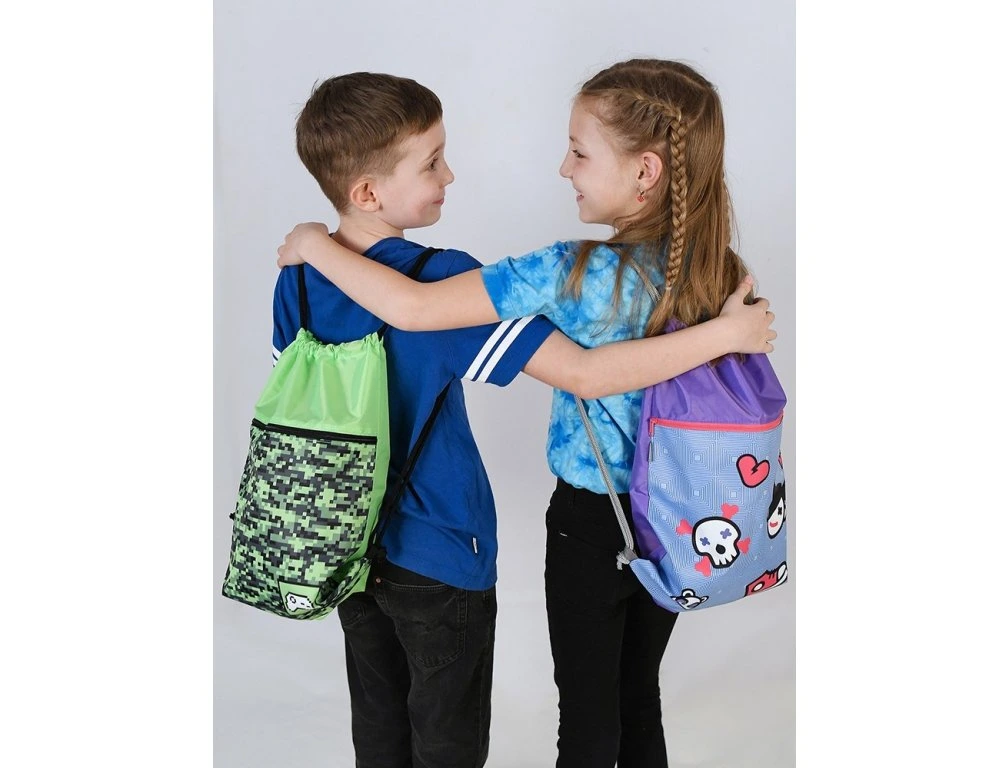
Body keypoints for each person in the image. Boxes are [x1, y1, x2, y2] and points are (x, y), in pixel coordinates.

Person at [279, 67, 776, 768]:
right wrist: (724, 335)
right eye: (433, 162)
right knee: (635, 697)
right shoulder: (719, 270)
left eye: (578, 151)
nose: (564, 167)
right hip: (673, 513)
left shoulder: (565, 271)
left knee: (555, 716)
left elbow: (409, 317)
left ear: (646, 171)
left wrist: (312, 244)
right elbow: (574, 366)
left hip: (399, 531)